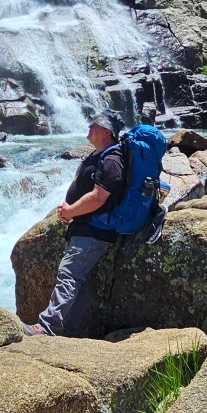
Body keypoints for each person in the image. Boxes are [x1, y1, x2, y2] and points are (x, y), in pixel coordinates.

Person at [25, 112, 128, 337]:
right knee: (76, 280)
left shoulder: (112, 160)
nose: (90, 127)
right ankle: (72, 331)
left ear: (107, 132)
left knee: (68, 275)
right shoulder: (97, 155)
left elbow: (99, 197)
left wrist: (71, 211)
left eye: (96, 125)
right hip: (84, 226)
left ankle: (47, 327)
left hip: (95, 230)